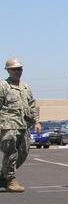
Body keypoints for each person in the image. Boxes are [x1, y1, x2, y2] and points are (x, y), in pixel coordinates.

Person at [0, 57, 39, 192]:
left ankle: (3, 177)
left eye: (19, 69)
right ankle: (10, 180)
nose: (18, 71)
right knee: (11, 153)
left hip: (24, 126)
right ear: (8, 71)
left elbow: (32, 105)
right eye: (14, 69)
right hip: (8, 126)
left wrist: (36, 121)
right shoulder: (3, 86)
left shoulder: (26, 87)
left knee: (23, 153)